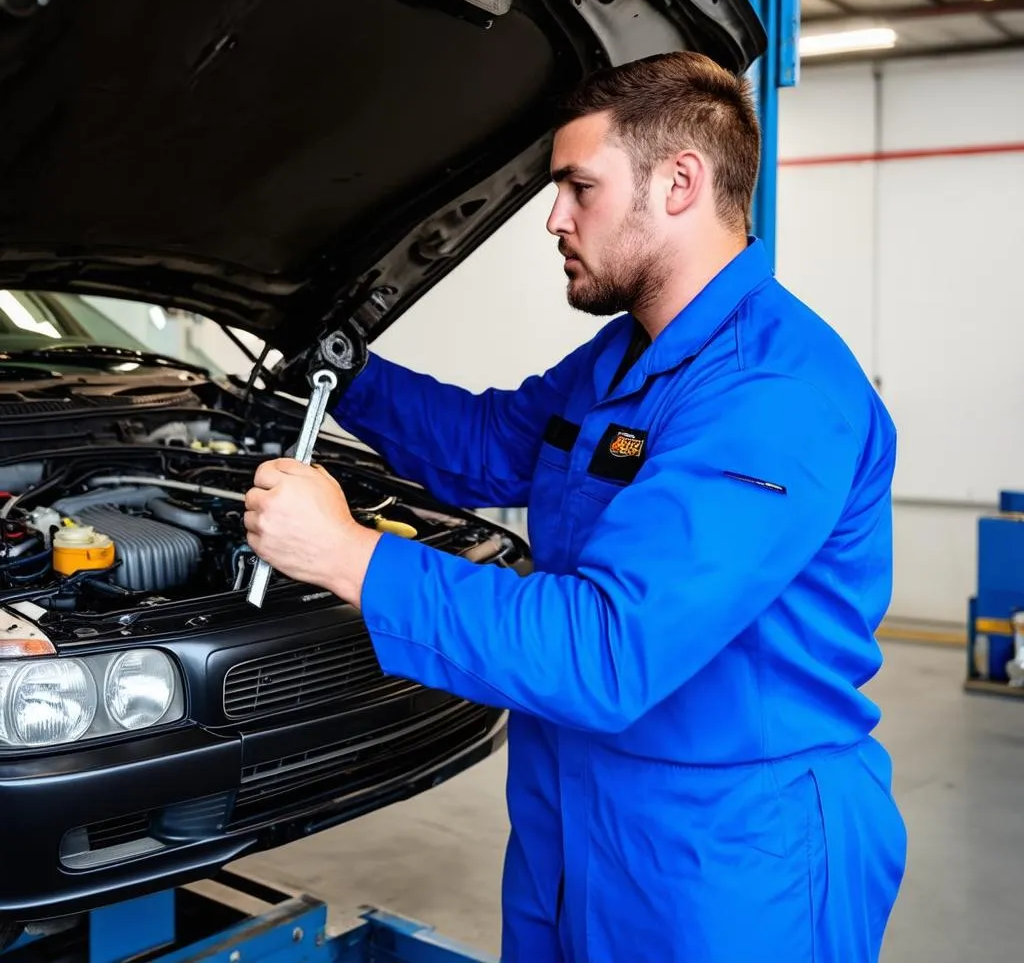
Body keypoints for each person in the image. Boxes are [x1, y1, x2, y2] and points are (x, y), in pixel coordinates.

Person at [243, 51, 908, 962]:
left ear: (680, 182)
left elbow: (607, 649)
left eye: (579, 187)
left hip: (733, 850)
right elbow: (486, 447)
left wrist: (348, 554)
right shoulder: (619, 359)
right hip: (579, 809)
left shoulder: (773, 393)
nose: (555, 217)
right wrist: (346, 372)